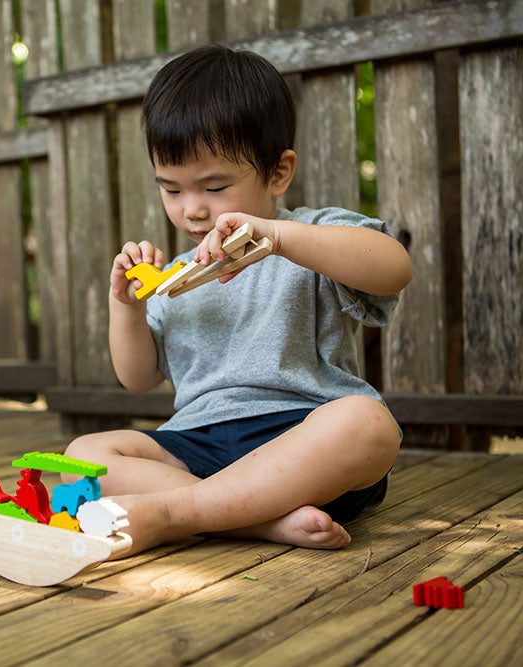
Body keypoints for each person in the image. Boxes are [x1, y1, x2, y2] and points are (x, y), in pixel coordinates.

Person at [62, 44, 412, 557]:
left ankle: (176, 513)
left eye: (215, 186)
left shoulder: (307, 234)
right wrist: (128, 306)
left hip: (300, 443)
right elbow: (137, 378)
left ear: (277, 173)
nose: (194, 210)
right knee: (84, 454)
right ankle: (256, 521)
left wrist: (280, 236)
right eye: (172, 190)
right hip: (197, 443)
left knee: (368, 424)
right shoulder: (174, 275)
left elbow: (393, 269)